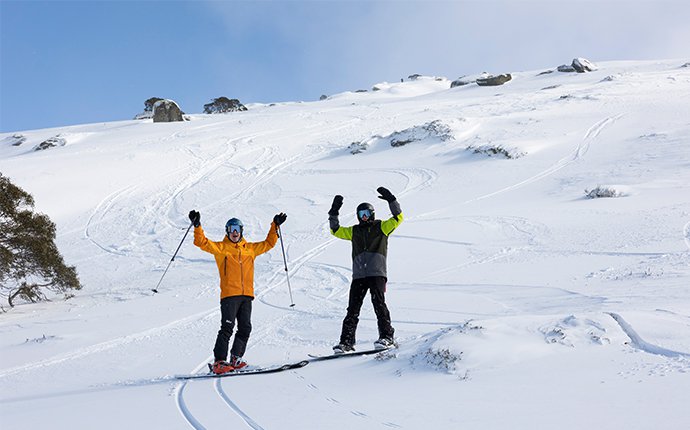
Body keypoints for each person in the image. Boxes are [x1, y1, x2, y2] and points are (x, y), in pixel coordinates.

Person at [188, 209, 287, 374]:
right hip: (229, 295)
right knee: (227, 328)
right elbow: (202, 242)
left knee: (245, 328)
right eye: (231, 228)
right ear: (227, 231)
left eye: (237, 229)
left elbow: (269, 243)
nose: (234, 232)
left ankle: (236, 358)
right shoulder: (221, 248)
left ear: (241, 231)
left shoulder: (250, 249)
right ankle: (219, 361)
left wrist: (275, 225)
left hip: (246, 295)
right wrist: (197, 225)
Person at [328, 187, 404, 353]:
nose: (364, 217)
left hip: (376, 273)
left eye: (367, 213)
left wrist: (391, 200)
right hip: (359, 276)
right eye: (361, 214)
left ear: (372, 214)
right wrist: (334, 212)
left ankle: (387, 336)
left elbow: (398, 218)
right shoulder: (353, 231)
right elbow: (335, 230)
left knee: (379, 304)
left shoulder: (382, 227)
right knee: (352, 309)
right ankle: (346, 342)